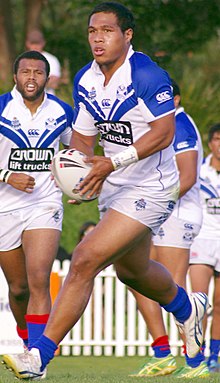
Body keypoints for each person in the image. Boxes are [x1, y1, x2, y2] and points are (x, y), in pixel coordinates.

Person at [2, 3, 208, 380]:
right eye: (92, 31)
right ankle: (187, 308)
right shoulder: (85, 78)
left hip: (153, 187)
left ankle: (38, 356)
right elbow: (82, 139)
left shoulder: (147, 74)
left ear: (127, 36)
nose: (97, 38)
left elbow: (163, 133)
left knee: (84, 259)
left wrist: (111, 163)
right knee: (133, 272)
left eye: (107, 31)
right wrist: (76, 173)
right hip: (114, 187)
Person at [0, 50, 73, 376]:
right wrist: (6, 175)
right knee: (18, 289)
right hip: (5, 206)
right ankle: (25, 338)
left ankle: (36, 360)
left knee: (39, 279)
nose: (31, 78)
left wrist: (77, 184)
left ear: (47, 77)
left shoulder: (62, 111)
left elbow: (77, 153)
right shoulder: (2, 108)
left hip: (45, 204)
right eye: (25, 72)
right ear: (15, 76)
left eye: (38, 73)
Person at [130, 80, 209, 378]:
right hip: (157, 212)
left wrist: (156, 201)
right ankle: (162, 352)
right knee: (137, 276)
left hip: (179, 214)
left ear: (174, 99)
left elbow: (187, 177)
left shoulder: (181, 126)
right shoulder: (158, 127)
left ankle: (195, 361)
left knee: (172, 284)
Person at [189, 123, 220, 372]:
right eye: (217, 139)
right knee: (199, 302)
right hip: (202, 238)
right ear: (210, 143)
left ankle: (214, 357)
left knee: (219, 305)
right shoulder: (199, 172)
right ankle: (195, 356)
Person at [25, 30, 61, 95]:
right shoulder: (22, 60)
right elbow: (19, 82)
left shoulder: (52, 60)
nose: (35, 46)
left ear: (43, 43)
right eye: (32, 43)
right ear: (27, 43)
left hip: (48, 100)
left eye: (38, 43)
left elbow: (54, 83)